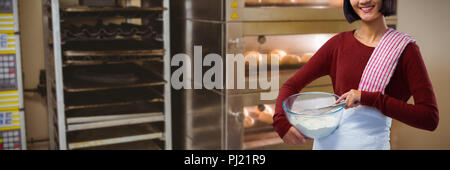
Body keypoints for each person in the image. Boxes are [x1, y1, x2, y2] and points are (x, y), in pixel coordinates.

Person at [273, 0, 439, 150]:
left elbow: (429, 118)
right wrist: (281, 123)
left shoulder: (405, 50)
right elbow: (291, 85)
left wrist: (369, 98)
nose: (363, 1)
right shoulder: (338, 44)